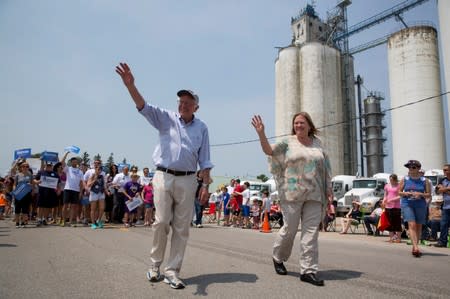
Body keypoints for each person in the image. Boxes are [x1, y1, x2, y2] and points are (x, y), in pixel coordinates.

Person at [116, 62, 212, 289]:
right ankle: (155, 265)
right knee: (161, 222)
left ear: (196, 107)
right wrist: (131, 86)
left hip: (189, 179)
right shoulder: (166, 118)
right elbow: (143, 106)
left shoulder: (202, 128)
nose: (184, 104)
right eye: (181, 101)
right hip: (163, 176)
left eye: (189, 102)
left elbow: (205, 160)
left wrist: (205, 186)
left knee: (182, 227)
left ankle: (172, 271)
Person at [251, 112, 331, 287]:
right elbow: (269, 151)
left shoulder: (318, 144)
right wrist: (261, 133)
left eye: (302, 123)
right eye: (296, 123)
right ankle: (278, 257)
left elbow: (326, 168)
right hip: (292, 193)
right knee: (290, 229)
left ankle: (308, 271)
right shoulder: (287, 142)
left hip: (315, 193)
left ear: (309, 125)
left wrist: (329, 190)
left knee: (310, 233)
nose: (299, 126)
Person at [399, 159, 431, 257]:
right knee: (411, 224)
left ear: (418, 168)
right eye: (409, 167)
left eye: (413, 167)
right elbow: (399, 192)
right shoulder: (405, 179)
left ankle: (415, 245)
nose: (410, 169)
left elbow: (429, 194)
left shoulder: (425, 181)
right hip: (407, 203)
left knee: (418, 226)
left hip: (420, 204)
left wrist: (420, 194)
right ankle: (416, 247)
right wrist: (406, 193)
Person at [60, 153, 85, 227]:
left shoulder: (80, 171)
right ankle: (63, 221)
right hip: (67, 189)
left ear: (77, 162)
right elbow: (61, 162)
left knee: (73, 207)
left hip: (76, 191)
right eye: (73, 161)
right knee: (65, 205)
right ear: (71, 162)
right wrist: (66, 154)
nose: (74, 162)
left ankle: (70, 221)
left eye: (76, 161)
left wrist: (80, 192)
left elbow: (81, 183)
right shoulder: (68, 169)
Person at [34, 161, 60, 226]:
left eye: (50, 166)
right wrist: (37, 182)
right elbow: (34, 179)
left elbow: (58, 183)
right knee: (40, 206)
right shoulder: (41, 172)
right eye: (47, 166)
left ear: (52, 166)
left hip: (51, 193)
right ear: (45, 166)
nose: (49, 167)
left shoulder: (55, 174)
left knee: (47, 207)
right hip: (42, 192)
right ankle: (39, 219)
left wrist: (59, 190)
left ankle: (44, 219)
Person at [86, 163, 107, 229]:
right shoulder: (92, 176)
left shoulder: (102, 176)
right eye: (98, 169)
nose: (99, 170)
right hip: (94, 193)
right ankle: (93, 223)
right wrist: (94, 180)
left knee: (102, 208)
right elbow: (88, 185)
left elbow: (104, 185)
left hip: (101, 193)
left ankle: (99, 220)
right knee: (93, 209)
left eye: (100, 169)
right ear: (95, 169)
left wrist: (106, 191)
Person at [382, 174, 402, 242]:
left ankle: (398, 238)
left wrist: (391, 200)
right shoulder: (387, 185)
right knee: (389, 223)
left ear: (395, 179)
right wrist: (384, 200)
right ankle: (391, 238)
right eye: (390, 180)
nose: (391, 181)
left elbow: (400, 196)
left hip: (396, 206)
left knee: (397, 222)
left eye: (392, 180)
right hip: (388, 206)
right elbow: (385, 194)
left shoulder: (399, 186)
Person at [434, 164, 450, 248]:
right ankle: (442, 242)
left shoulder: (443, 183)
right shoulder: (442, 180)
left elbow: (441, 190)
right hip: (446, 207)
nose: (444, 172)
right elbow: (437, 192)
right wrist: (447, 188)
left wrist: (443, 189)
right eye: (444, 170)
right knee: (443, 225)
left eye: (446, 170)